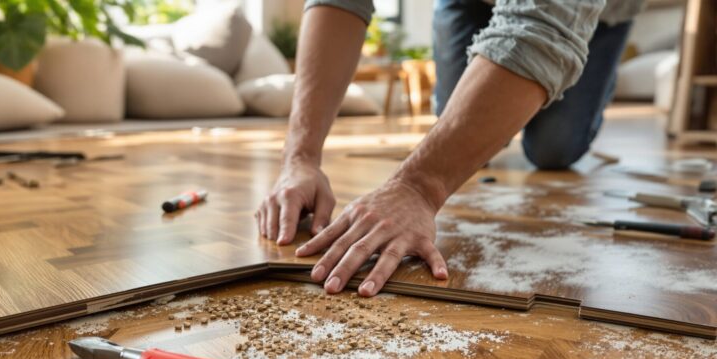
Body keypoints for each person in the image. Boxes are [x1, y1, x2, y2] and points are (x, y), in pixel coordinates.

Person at [255, 0, 645, 297]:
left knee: (553, 151)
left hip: (578, 12)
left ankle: (593, 44)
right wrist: (300, 157)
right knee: (457, 123)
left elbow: (541, 27)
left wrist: (417, 186)